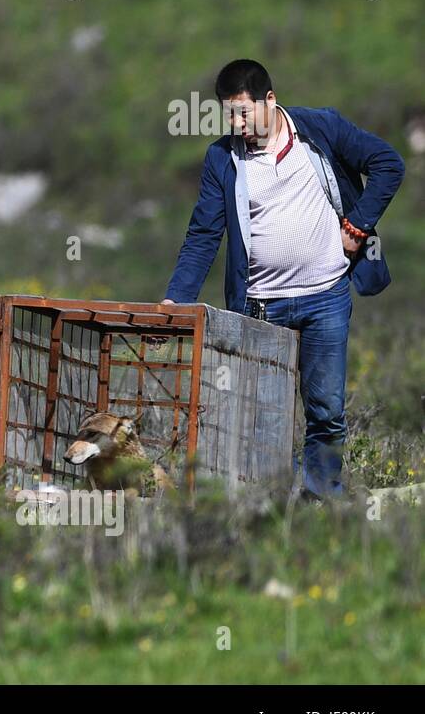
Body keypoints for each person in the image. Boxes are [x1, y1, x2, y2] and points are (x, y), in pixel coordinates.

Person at [162, 59, 405, 499]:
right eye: (229, 114)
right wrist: (176, 300)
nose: (237, 123)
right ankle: (281, 501)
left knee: (327, 410)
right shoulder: (222, 158)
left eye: (244, 112)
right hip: (260, 306)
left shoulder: (321, 129)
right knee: (264, 416)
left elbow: (388, 165)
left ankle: (321, 498)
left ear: (269, 101)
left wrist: (357, 227)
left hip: (325, 296)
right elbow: (203, 234)